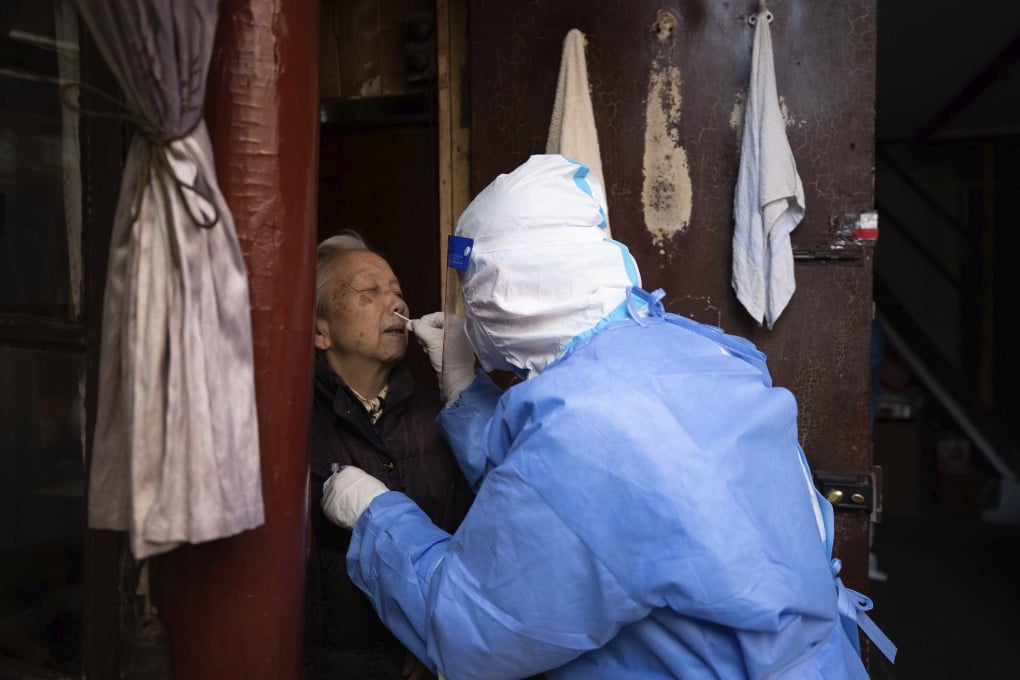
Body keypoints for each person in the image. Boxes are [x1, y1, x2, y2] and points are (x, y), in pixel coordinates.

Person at [319, 157, 895, 679]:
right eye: (366, 291)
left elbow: (469, 623)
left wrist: (378, 516)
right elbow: (560, 495)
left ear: (503, 291)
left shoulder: (584, 431)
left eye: (472, 290)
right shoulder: (690, 350)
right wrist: (466, 394)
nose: (396, 303)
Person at [305, 230, 474, 680]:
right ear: (319, 329)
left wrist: (431, 641)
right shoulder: (293, 428)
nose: (396, 305)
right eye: (370, 292)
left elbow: (472, 544)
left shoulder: (440, 417)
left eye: (397, 292)